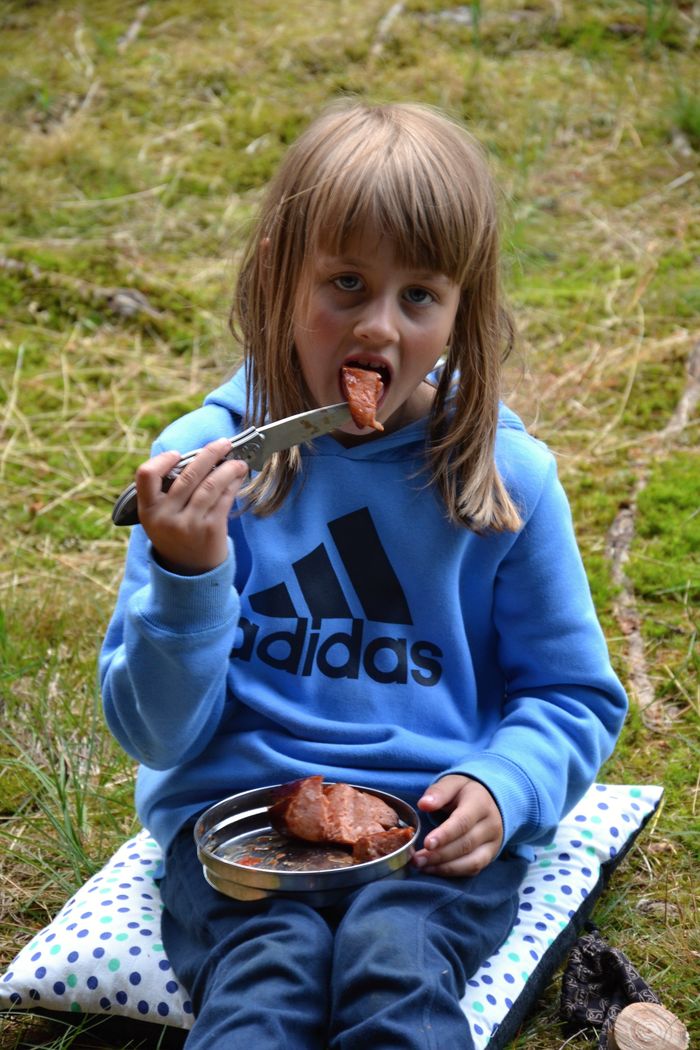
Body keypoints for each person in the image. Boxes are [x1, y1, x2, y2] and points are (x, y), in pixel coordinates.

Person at [100, 101, 628, 1049]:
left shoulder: (506, 482)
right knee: (267, 976)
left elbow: (573, 695)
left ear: (464, 309)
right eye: (347, 283)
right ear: (277, 275)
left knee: (393, 961)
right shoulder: (206, 471)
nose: (380, 326)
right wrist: (188, 577)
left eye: (419, 296)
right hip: (238, 830)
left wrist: (506, 784)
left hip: (429, 831)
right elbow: (155, 735)